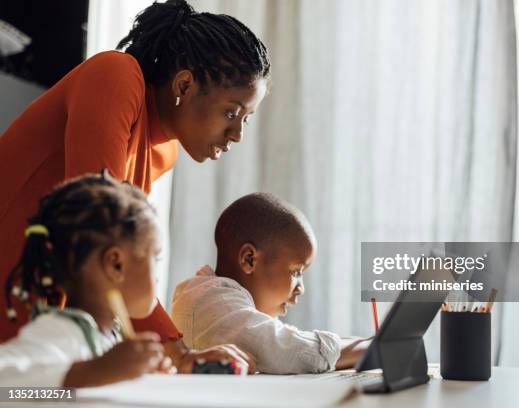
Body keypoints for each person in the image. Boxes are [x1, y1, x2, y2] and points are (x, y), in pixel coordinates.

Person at [0, 0, 269, 371]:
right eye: (231, 112)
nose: (237, 134)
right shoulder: (115, 75)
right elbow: (105, 238)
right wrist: (178, 352)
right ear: (185, 83)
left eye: (246, 119)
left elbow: (118, 262)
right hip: (14, 306)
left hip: (50, 329)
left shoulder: (163, 153)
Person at [0, 172, 179, 386]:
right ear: (116, 264)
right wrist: (87, 374)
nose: (157, 276)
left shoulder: (110, 338)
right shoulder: (60, 332)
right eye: (155, 257)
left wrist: (145, 379)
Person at [171, 193, 369, 374]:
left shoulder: (226, 302)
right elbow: (286, 349)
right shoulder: (211, 301)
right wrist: (372, 349)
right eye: (296, 272)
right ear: (249, 259)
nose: (301, 288)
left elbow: (291, 338)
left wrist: (366, 343)